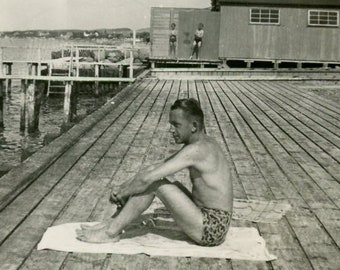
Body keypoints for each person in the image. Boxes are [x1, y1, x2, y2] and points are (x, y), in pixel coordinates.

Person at [76, 98, 233, 247]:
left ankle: (110, 233)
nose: (171, 130)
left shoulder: (198, 150)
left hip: (212, 229)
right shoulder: (201, 143)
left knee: (155, 183)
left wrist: (123, 193)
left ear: (193, 126)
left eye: (176, 125)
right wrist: (122, 187)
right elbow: (154, 168)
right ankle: (111, 223)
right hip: (209, 220)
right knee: (161, 178)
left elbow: (149, 179)